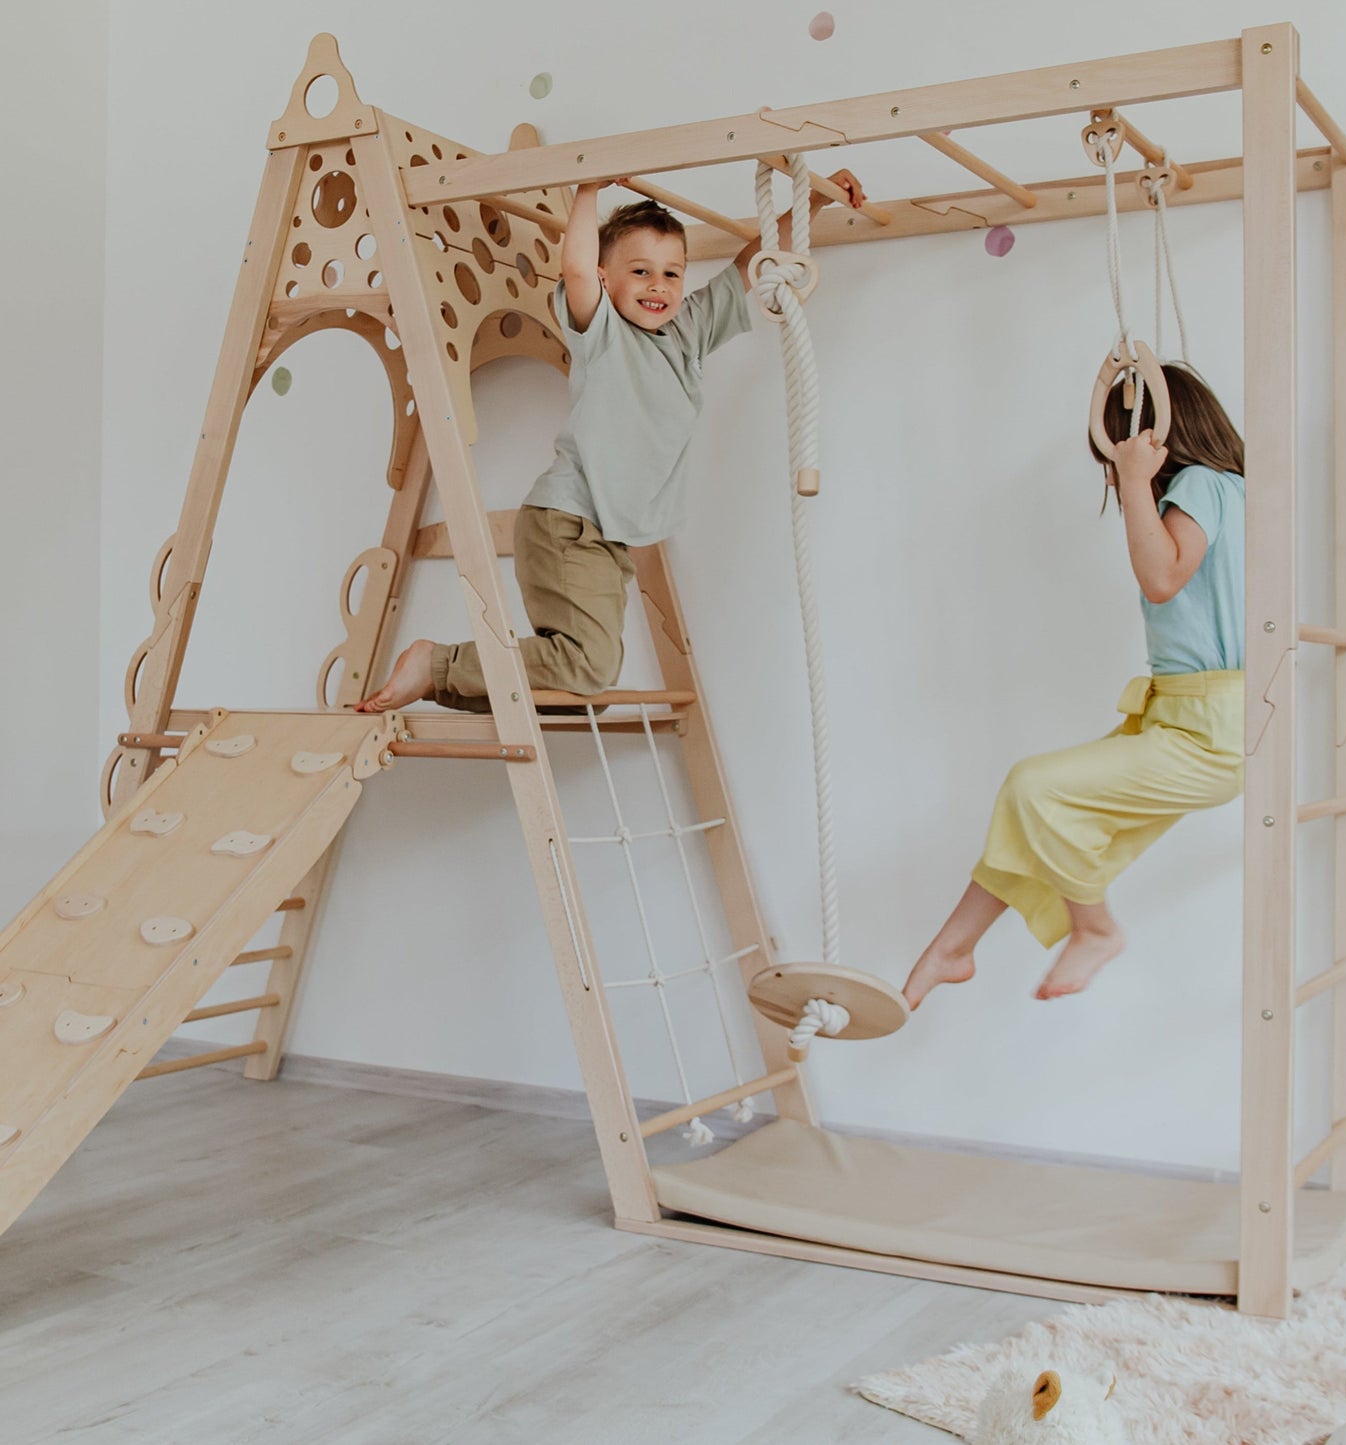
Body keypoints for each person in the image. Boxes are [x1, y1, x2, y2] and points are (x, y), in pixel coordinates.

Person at [358, 170, 864, 715]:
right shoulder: (602, 331)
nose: (658, 286)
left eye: (672, 273)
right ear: (605, 278)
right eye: (640, 271)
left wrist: (810, 199)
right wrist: (588, 187)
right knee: (588, 669)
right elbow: (574, 266)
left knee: (583, 692)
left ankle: (445, 680)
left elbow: (750, 263)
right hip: (569, 525)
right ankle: (437, 663)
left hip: (606, 539)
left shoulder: (688, 331)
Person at [904, 365, 1246, 1007]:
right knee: (1030, 815)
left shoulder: (1201, 484)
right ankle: (951, 949)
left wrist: (1140, 482)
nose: (1115, 479)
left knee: (1035, 787)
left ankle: (1095, 929)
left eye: (1114, 461)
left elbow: (1162, 578)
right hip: (1185, 718)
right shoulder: (1234, 491)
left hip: (1212, 728)